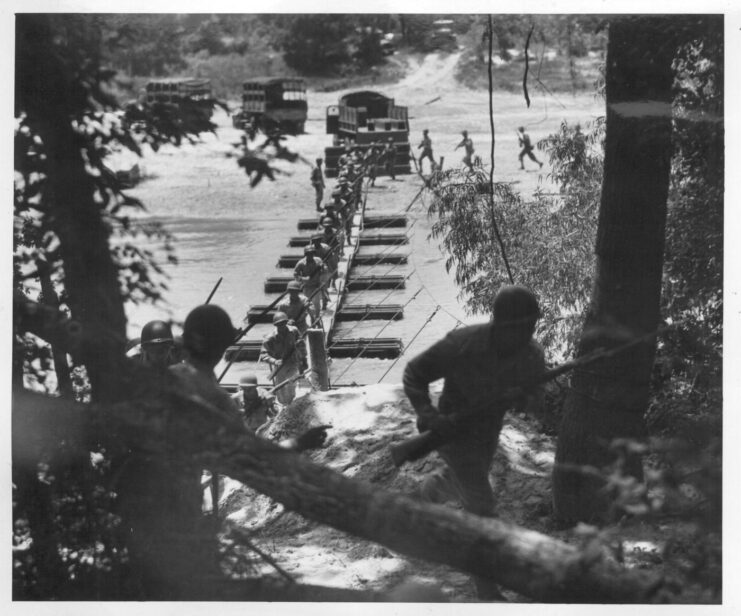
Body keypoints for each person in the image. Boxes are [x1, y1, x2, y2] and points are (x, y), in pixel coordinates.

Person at [115, 304, 328, 597]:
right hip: (177, 505)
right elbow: (250, 456)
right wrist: (298, 443)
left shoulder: (155, 379)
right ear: (219, 348)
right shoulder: (214, 397)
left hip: (133, 495)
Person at [402, 285, 545, 600]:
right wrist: (427, 412)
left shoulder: (532, 355)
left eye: (531, 327)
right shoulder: (462, 344)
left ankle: (430, 491)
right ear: (500, 324)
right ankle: (486, 588)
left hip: (486, 434)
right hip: (451, 433)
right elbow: (414, 373)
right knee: (481, 507)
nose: (528, 334)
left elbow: (536, 399)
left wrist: (524, 397)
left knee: (465, 479)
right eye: (521, 328)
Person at [259, 311, 303, 406]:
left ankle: (292, 404)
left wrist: (303, 359)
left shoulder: (294, 331)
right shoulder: (270, 338)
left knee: (292, 384)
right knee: (281, 391)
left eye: (283, 323)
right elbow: (263, 354)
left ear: (286, 322)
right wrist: (274, 361)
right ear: (275, 325)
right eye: (279, 324)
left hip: (293, 363)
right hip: (280, 367)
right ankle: (285, 406)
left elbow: (301, 344)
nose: (281, 326)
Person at [293, 244, 327, 316]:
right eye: (308, 254)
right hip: (307, 287)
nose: (310, 255)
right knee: (308, 304)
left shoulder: (318, 260)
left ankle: (316, 318)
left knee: (317, 304)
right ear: (306, 254)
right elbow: (295, 275)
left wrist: (322, 269)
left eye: (312, 253)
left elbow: (324, 271)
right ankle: (312, 317)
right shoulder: (301, 263)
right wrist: (303, 279)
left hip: (316, 286)